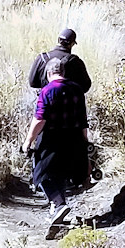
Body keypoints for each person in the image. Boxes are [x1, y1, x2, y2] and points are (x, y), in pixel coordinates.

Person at [24, 58, 90, 221]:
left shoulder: (47, 90)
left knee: (41, 174)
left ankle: (59, 204)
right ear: (63, 72)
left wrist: (28, 141)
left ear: (48, 73)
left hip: (52, 138)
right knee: (61, 174)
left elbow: (40, 119)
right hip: (74, 138)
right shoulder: (77, 90)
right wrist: (85, 143)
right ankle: (57, 211)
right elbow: (83, 120)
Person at [28, 27, 93, 93]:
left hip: (46, 100)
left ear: (58, 40)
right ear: (72, 44)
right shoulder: (76, 61)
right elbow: (86, 86)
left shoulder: (42, 58)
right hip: (68, 101)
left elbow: (32, 83)